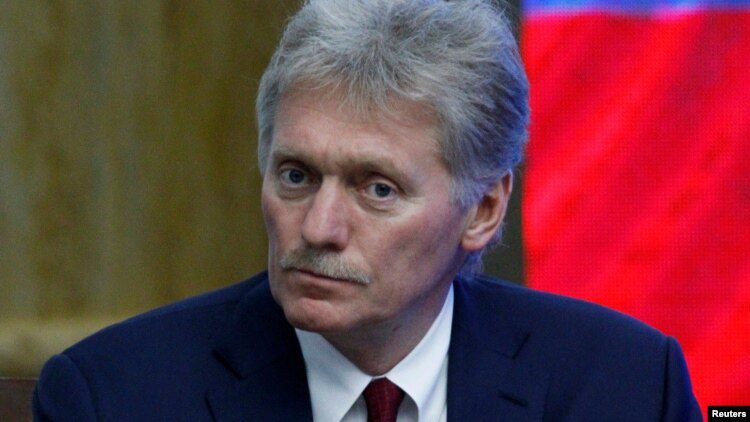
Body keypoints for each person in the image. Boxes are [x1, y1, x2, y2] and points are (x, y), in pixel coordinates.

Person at [33, 0, 702, 421]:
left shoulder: (626, 387)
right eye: (296, 176)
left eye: (376, 189)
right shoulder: (112, 397)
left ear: (484, 209)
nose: (318, 228)